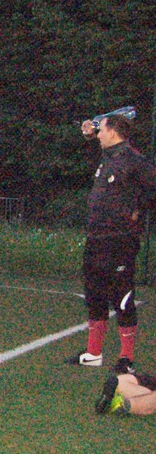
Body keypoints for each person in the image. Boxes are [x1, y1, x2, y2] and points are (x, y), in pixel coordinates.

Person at [67, 112, 156, 373]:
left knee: (122, 296)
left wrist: (137, 211)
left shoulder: (135, 161)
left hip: (120, 239)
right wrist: (88, 134)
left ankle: (126, 359)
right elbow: (91, 149)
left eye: (102, 130)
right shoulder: (108, 157)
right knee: (94, 295)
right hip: (96, 237)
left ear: (114, 132)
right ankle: (93, 353)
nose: (99, 135)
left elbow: (152, 191)